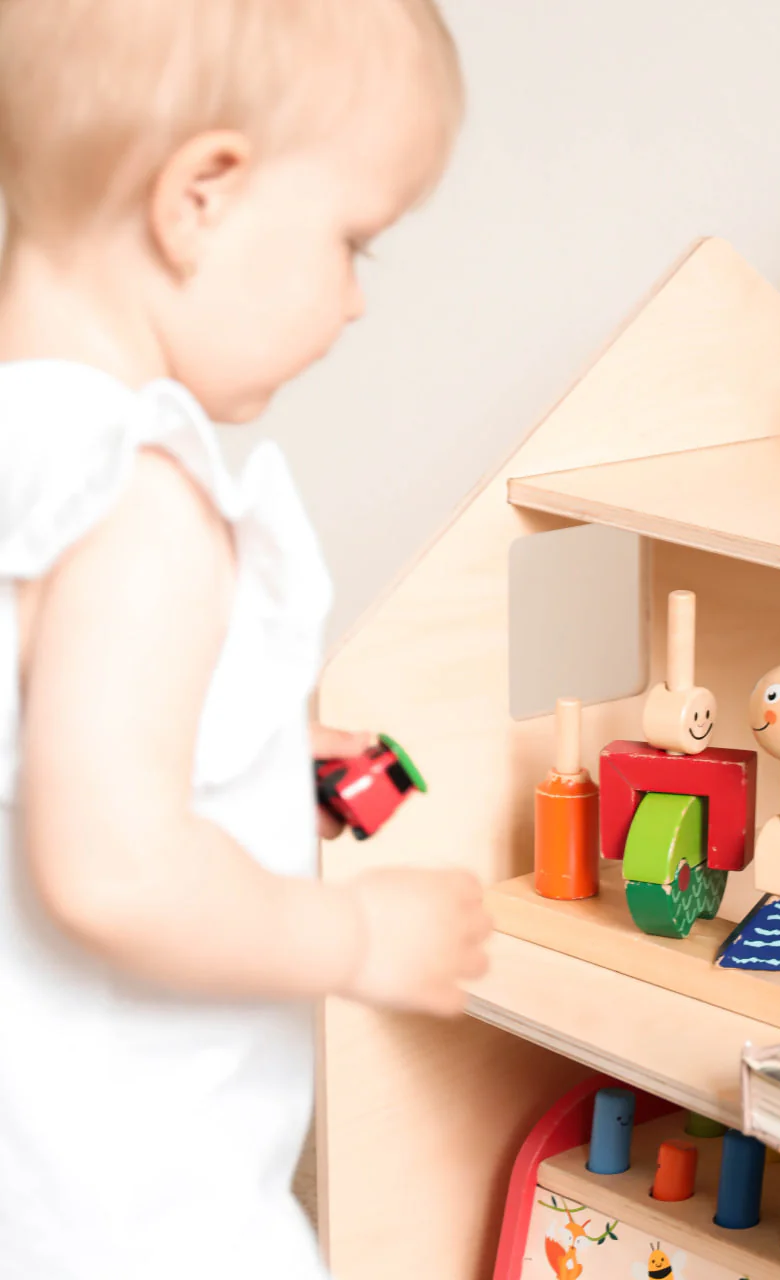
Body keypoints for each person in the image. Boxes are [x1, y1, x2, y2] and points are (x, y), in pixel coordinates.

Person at [0, 2, 491, 1275]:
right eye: (352, 241)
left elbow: (53, 735)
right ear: (201, 198)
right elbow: (112, 868)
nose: (356, 299)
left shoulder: (26, 456)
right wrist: (360, 938)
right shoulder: (139, 505)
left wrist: (252, 751)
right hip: (133, 1212)